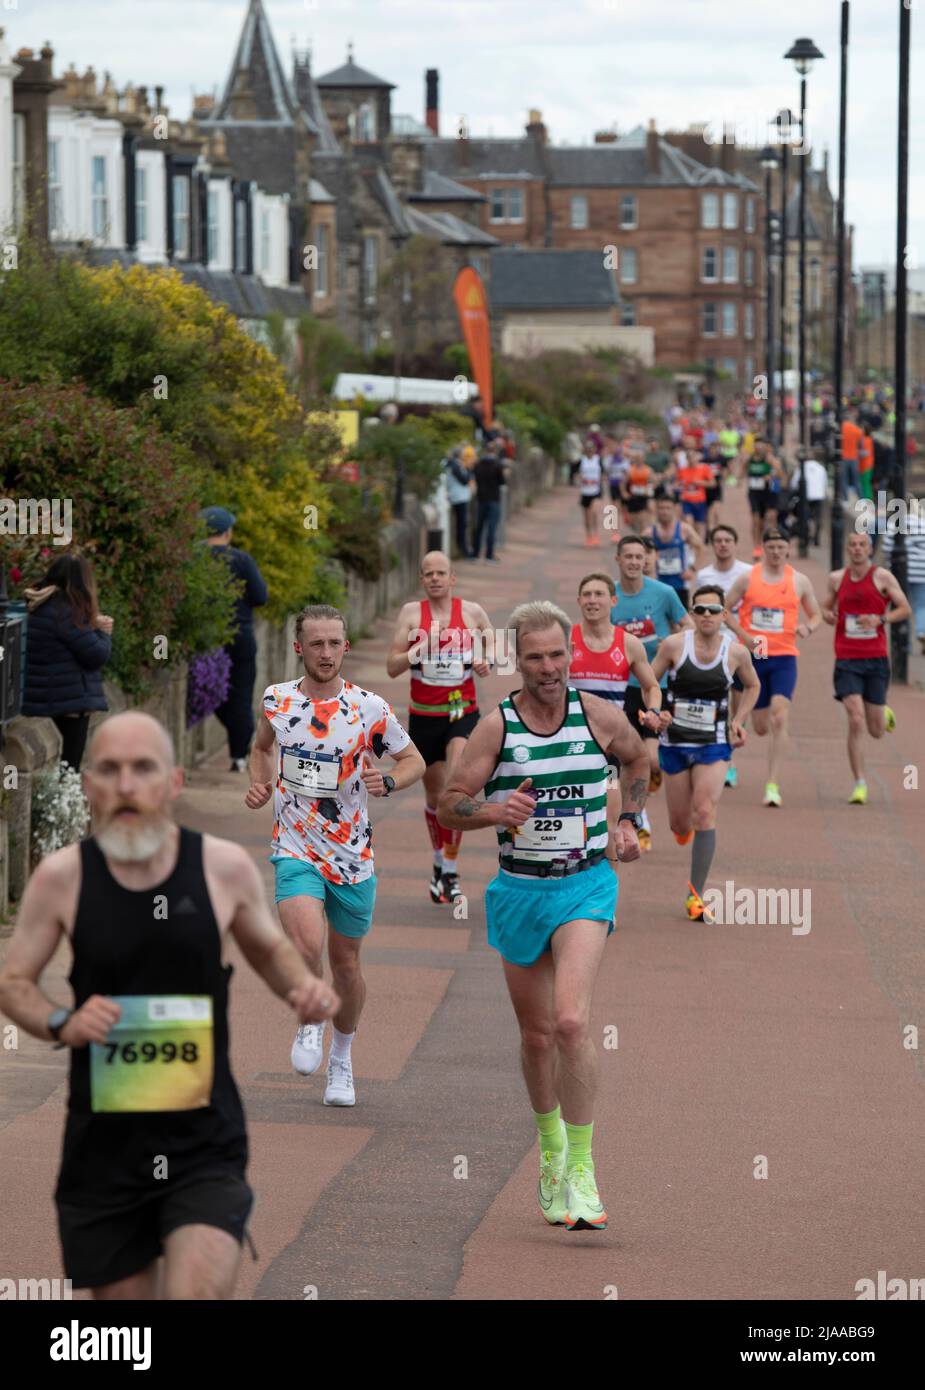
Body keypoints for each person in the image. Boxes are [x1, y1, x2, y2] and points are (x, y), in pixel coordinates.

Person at [0, 711, 340, 1300]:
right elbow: (14, 982)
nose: (126, 785)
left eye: (143, 768)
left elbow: (267, 948)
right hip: (104, 1144)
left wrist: (300, 987)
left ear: (174, 781)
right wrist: (63, 1022)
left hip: (203, 1139)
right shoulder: (62, 878)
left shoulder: (220, 868)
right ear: (88, 784)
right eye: (109, 770)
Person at [437, 601, 650, 1231]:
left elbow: (638, 758)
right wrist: (492, 813)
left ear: (570, 655)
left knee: (570, 1022)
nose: (549, 667)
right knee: (536, 1037)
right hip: (519, 891)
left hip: (585, 886)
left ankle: (582, 1166)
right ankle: (551, 1147)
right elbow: (450, 803)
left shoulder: (598, 714)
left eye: (558, 654)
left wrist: (629, 820)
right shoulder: (496, 728)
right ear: (518, 660)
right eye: (536, 657)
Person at [246, 606, 425, 1105]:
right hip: (294, 846)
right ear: (298, 648)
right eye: (316, 644)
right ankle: (310, 1020)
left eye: (333, 644)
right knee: (306, 943)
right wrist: (260, 784)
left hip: (351, 856)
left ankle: (342, 1058)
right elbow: (261, 748)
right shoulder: (277, 699)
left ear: (345, 647)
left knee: (346, 966)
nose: (325, 654)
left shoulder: (369, 709)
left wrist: (389, 781)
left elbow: (414, 760)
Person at [386, 552, 493, 905]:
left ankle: (450, 869)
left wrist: (486, 660)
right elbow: (391, 667)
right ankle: (439, 864)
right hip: (424, 716)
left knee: (453, 788)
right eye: (428, 573)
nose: (435, 578)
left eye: (441, 573)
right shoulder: (411, 615)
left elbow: (495, 644)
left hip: (461, 712)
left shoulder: (472, 613)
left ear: (452, 578)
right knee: (435, 798)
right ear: (421, 579)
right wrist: (421, 648)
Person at [650, 585, 759, 922]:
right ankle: (682, 830)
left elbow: (753, 685)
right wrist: (655, 712)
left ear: (724, 615)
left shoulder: (736, 652)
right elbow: (650, 683)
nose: (707, 615)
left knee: (704, 812)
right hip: (675, 743)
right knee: (680, 823)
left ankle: (695, 896)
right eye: (701, 610)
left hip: (714, 744)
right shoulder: (673, 646)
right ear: (693, 614)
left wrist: (739, 721)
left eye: (714, 610)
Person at [724, 528, 822, 807]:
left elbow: (816, 615)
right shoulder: (748, 578)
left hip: (783, 657)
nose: (776, 552)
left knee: (779, 717)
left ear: (788, 548)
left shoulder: (799, 581)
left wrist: (808, 627)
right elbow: (724, 610)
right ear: (763, 548)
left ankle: (772, 785)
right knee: (757, 724)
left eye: (781, 547)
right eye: (771, 547)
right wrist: (744, 637)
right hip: (753, 657)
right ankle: (730, 760)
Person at [570, 572, 665, 846]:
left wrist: (653, 711)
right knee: (572, 819)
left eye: (599, 594)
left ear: (613, 601)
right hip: (571, 745)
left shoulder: (628, 643)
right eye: (587, 595)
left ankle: (609, 874)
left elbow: (652, 686)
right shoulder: (566, 640)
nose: (592, 600)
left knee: (610, 820)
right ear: (578, 601)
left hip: (609, 747)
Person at [611, 535, 691, 849]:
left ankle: (652, 777)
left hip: (657, 687)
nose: (634, 562)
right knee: (627, 761)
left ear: (646, 560)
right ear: (618, 560)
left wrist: (671, 642)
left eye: (639, 557)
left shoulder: (664, 593)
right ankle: (639, 821)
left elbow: (688, 626)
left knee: (653, 760)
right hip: (621, 688)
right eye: (628, 556)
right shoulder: (610, 596)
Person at [821, 532, 909, 804]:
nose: (857, 549)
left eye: (862, 545)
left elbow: (904, 609)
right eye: (853, 545)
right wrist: (828, 615)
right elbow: (825, 609)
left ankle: (883, 712)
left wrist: (880, 619)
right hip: (847, 658)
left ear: (870, 549)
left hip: (876, 659)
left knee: (876, 730)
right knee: (855, 718)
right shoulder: (837, 579)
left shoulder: (883, 577)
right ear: (847, 549)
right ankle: (860, 783)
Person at [22, 552, 113, 772]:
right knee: (69, 770)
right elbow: (96, 655)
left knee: (61, 771)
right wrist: (103, 632)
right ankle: (65, 796)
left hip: (45, 697)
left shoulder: (41, 605)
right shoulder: (67, 612)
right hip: (68, 703)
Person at [203, 507, 269, 773]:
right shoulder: (241, 559)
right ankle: (239, 755)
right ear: (227, 532)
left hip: (207, 638)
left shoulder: (195, 559)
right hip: (240, 636)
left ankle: (241, 742)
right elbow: (261, 596)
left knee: (210, 693)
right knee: (241, 695)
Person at [696, 524, 754, 789]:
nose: (722, 544)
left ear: (735, 544)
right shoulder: (703, 575)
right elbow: (697, 609)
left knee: (737, 707)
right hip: (712, 645)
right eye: (718, 540)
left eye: (727, 540)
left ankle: (731, 752)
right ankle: (723, 760)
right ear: (712, 545)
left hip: (739, 646)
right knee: (716, 703)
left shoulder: (748, 573)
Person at [881, 503, 925, 654]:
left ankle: (905, 643)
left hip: (900, 572)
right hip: (921, 571)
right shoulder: (923, 524)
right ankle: (921, 631)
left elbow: (887, 547)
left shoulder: (894, 525)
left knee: (902, 605)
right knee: (921, 605)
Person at [649, 489, 703, 611]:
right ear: (657, 510)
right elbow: (641, 553)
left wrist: (692, 569)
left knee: (682, 616)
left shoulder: (684, 530)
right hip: (659, 583)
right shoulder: (650, 532)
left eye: (668, 508)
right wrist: (648, 573)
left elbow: (700, 547)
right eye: (661, 508)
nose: (664, 511)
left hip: (680, 584)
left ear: (674, 509)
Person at [473, 441, 508, 562]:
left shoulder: (478, 464)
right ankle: (489, 554)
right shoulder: (497, 465)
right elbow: (502, 481)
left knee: (479, 527)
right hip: (493, 499)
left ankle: (476, 553)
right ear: (494, 451)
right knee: (491, 528)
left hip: (481, 498)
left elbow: (476, 477)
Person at [789, 454, 828, 547]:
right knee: (817, 517)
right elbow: (825, 483)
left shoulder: (801, 468)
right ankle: (816, 537)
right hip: (818, 496)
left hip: (805, 496)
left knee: (805, 517)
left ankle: (806, 536)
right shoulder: (821, 468)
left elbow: (794, 484)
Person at [444, 445, 475, 560]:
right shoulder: (455, 465)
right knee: (462, 525)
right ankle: (463, 550)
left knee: (462, 524)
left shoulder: (455, 464)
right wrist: (468, 469)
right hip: (458, 497)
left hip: (460, 497)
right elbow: (464, 480)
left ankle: (463, 549)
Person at [577, 442, 603, 545]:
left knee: (594, 512)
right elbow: (575, 472)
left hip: (596, 491)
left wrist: (600, 480)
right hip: (585, 492)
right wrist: (580, 479)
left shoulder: (598, 460)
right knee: (587, 516)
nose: (589, 450)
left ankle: (596, 535)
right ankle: (589, 536)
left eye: (591, 448)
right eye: (588, 448)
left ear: (594, 449)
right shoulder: (582, 460)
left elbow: (604, 473)